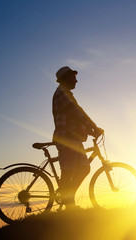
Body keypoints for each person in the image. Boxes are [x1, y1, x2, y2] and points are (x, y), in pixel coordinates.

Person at [52, 66, 103, 209]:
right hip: (66, 138)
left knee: (84, 169)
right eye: (73, 77)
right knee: (68, 170)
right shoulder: (62, 93)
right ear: (65, 79)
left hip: (72, 138)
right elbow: (76, 112)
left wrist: (92, 129)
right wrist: (93, 126)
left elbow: (76, 116)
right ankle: (68, 203)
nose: (76, 80)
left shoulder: (66, 93)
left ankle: (69, 199)